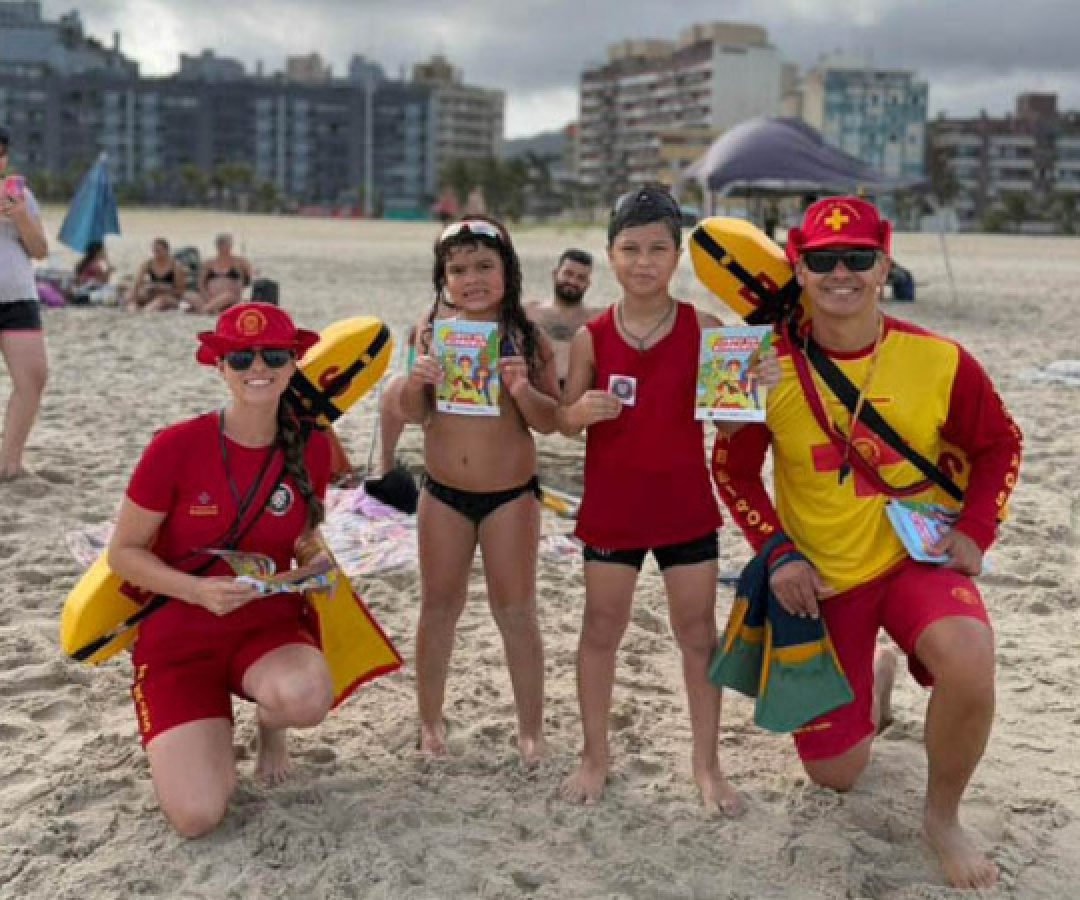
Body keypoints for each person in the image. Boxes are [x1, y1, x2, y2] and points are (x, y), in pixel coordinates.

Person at [711, 196, 1022, 889]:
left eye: (859, 257)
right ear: (799, 267)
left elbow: (1001, 443)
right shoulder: (766, 367)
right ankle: (879, 677)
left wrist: (975, 531)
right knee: (836, 776)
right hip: (822, 582)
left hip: (914, 558)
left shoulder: (940, 359)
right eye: (823, 260)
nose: (841, 272)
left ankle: (943, 817)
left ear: (885, 262)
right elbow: (731, 472)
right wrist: (778, 553)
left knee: (970, 660)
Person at [555, 186, 775, 813]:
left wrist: (752, 386)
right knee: (601, 631)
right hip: (613, 510)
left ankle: (707, 767)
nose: (643, 261)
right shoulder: (591, 338)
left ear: (677, 256)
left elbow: (730, 428)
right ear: (611, 255)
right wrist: (578, 412)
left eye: (657, 248)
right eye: (630, 249)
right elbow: (567, 421)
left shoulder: (705, 329)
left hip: (684, 509)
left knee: (696, 636)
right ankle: (595, 756)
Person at [107, 302, 335, 837]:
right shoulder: (176, 446)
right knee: (198, 816)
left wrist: (315, 558)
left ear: (293, 363)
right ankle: (205, 730)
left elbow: (304, 534)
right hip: (179, 637)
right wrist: (195, 590)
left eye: (274, 355)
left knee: (305, 699)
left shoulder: (315, 446)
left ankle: (268, 724)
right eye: (240, 358)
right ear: (219, 367)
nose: (258, 367)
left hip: (267, 626)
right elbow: (124, 553)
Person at [386, 216, 558, 764]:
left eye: (485, 266)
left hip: (511, 495)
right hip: (442, 494)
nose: (472, 279)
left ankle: (530, 729)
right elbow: (412, 415)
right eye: (458, 270)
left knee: (516, 611)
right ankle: (429, 720)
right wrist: (418, 380)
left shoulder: (528, 337)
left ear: (508, 270)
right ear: (443, 279)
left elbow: (551, 421)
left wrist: (521, 389)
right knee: (438, 609)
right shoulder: (430, 330)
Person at [0, 125, 48, 482]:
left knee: (32, 378)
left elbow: (40, 250)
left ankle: (9, 462)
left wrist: (20, 218)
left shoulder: (20, 197)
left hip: (18, 296)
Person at [524, 248, 600, 390]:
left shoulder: (597, 319)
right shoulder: (529, 313)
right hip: (535, 391)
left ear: (588, 284)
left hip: (579, 393)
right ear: (555, 274)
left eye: (581, 278)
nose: (573, 281)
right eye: (568, 274)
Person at [194, 233, 253, 315]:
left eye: (228, 244)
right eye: (222, 244)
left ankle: (206, 310)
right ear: (217, 246)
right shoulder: (209, 263)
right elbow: (201, 283)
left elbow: (251, 278)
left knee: (227, 296)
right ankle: (211, 307)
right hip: (210, 297)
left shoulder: (240, 261)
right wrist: (206, 296)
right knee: (190, 296)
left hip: (232, 296)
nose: (226, 247)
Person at [129, 238, 187, 311]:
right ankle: (134, 310)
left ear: (166, 250)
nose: (156, 253)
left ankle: (144, 311)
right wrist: (134, 295)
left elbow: (180, 291)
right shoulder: (148, 263)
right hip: (152, 293)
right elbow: (137, 284)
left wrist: (164, 289)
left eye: (158, 251)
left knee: (161, 300)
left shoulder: (175, 266)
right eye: (154, 251)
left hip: (170, 296)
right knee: (133, 297)